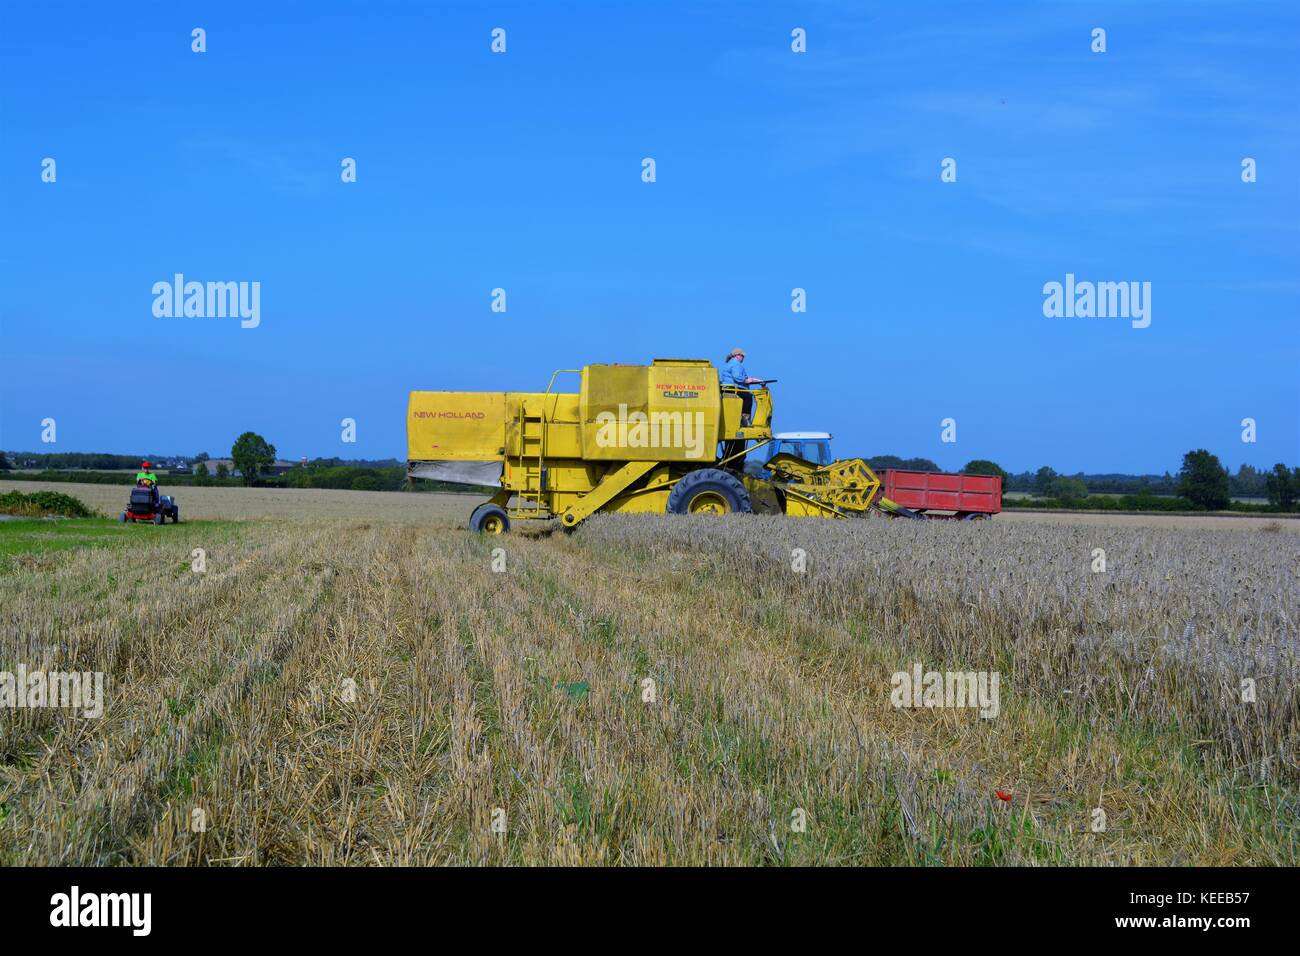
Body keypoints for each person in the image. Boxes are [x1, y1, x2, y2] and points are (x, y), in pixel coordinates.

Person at [722, 348, 762, 425]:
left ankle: (743, 418)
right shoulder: (736, 364)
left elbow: (743, 377)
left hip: (728, 388)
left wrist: (756, 380)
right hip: (732, 389)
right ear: (737, 355)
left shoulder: (730, 363)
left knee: (746, 395)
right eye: (743, 356)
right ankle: (745, 419)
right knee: (748, 397)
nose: (743, 358)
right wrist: (746, 381)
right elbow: (737, 377)